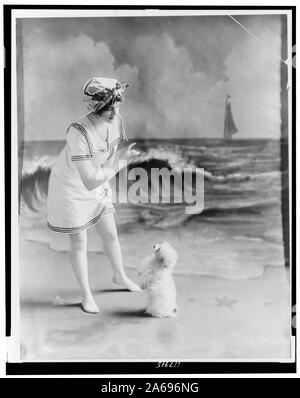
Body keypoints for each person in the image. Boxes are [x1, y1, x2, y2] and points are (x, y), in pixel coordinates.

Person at [47, 77, 141, 314]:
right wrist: (118, 166)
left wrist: (108, 175)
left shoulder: (115, 120)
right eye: (109, 108)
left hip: (96, 178)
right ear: (95, 107)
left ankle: (119, 276)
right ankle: (86, 294)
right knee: (80, 242)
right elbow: (89, 181)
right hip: (70, 186)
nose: (114, 113)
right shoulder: (78, 132)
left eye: (117, 106)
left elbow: (109, 154)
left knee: (110, 232)